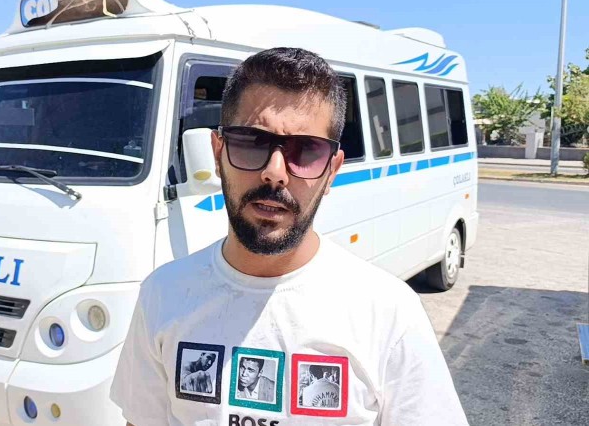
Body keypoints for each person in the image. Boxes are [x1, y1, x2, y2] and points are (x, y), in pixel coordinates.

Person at [110, 47, 468, 425]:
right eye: (252, 141)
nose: (275, 172)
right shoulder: (162, 295)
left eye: (306, 150)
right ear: (218, 153)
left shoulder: (388, 312)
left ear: (331, 171)